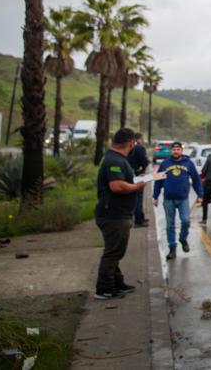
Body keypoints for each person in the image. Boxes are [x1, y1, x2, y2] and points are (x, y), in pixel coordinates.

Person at [94, 128, 147, 299]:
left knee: (115, 251)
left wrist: (135, 180)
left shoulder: (116, 158)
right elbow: (116, 186)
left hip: (117, 214)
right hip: (113, 216)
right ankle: (104, 289)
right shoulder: (114, 160)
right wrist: (137, 186)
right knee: (113, 253)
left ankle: (117, 283)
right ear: (131, 143)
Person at [153, 142, 203, 261]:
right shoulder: (165, 164)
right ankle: (172, 248)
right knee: (170, 224)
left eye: (178, 149)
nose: (176, 151)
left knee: (185, 220)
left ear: (181, 151)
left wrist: (200, 194)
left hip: (183, 199)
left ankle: (183, 238)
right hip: (168, 199)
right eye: (174, 149)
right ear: (171, 151)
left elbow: (196, 180)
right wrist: (155, 196)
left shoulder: (188, 163)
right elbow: (158, 181)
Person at [128, 132, 150, 227]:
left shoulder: (129, 147)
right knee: (138, 197)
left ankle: (138, 217)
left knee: (133, 197)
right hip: (138, 175)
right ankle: (138, 220)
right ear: (140, 139)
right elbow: (145, 161)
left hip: (129, 174)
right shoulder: (140, 148)